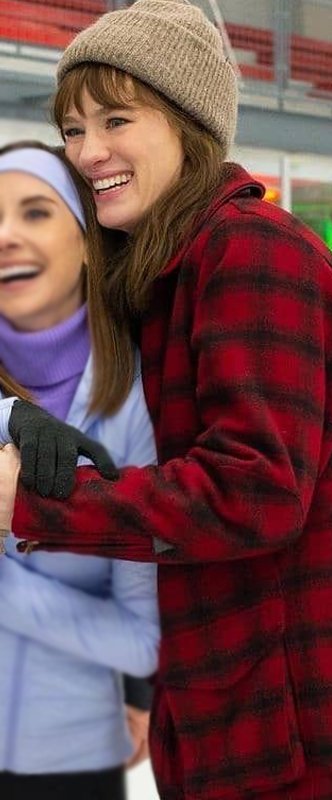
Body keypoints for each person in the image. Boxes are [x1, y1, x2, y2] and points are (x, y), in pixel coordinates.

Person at [0, 1, 332, 797]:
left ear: (188, 124)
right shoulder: (158, 275)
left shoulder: (251, 251)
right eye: (72, 129)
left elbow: (253, 492)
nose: (88, 152)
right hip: (239, 720)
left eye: (116, 120)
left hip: (328, 739)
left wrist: (37, 506)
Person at [0, 141, 159, 800]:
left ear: (91, 242)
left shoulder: (137, 403)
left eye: (35, 212)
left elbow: (143, 638)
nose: (5, 237)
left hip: (70, 757)